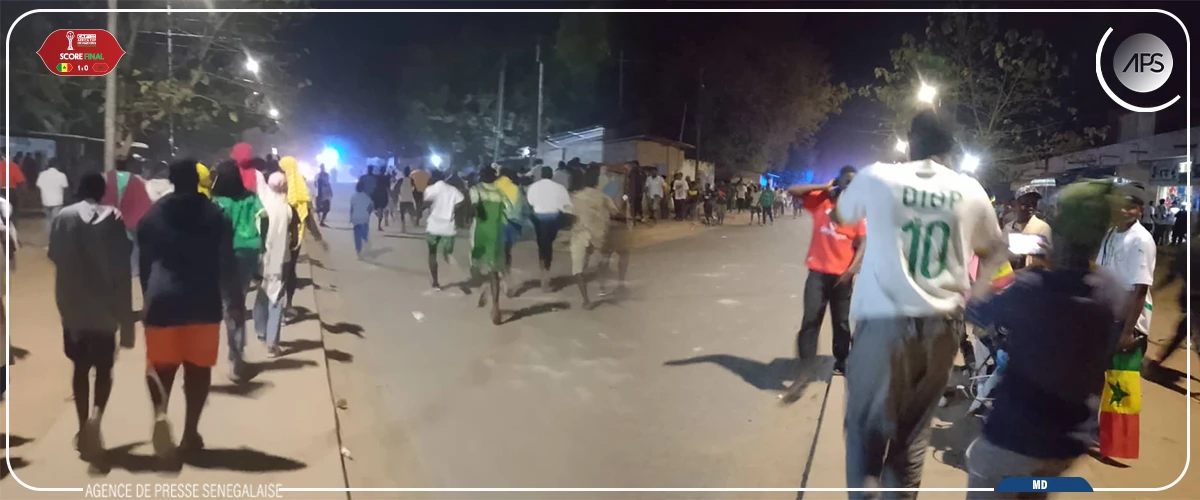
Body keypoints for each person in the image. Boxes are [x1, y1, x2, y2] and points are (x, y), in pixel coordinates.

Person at [833, 110, 1009, 496]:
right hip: (943, 325)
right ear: (950, 145)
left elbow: (842, 214)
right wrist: (975, 293)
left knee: (865, 435)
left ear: (910, 140)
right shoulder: (970, 190)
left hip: (883, 323)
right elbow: (997, 249)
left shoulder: (878, 176)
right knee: (912, 436)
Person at [962, 180, 1126, 498]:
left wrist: (996, 261)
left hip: (1013, 439)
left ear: (1059, 235)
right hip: (1065, 445)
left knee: (981, 466)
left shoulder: (1030, 288)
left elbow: (976, 311)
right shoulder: (1110, 291)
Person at [138, 159, 243, 462]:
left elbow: (143, 263)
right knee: (198, 371)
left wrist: (148, 296)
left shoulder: (154, 215)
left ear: (170, 179)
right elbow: (227, 262)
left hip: (162, 300)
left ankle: (160, 414)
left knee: (160, 366)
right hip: (203, 302)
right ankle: (190, 433)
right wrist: (234, 300)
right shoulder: (214, 214)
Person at [49, 172, 131, 462]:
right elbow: (123, 264)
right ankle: (97, 416)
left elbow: (55, 256)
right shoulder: (114, 217)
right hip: (105, 308)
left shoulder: (63, 217)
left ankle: (83, 424)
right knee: (104, 370)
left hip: (73, 308)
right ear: (102, 191)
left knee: (80, 368)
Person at [784, 166, 866, 384]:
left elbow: (863, 242)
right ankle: (805, 367)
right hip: (818, 275)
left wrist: (851, 269)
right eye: (846, 181)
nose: (850, 186)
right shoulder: (821, 201)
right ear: (837, 181)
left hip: (843, 277)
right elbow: (793, 190)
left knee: (841, 323)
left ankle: (842, 361)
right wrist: (822, 186)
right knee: (810, 320)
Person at [210, 160, 263, 381]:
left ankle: (233, 356)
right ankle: (237, 354)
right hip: (249, 254)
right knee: (237, 305)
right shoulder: (251, 197)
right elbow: (264, 218)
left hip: (225, 258)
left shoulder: (218, 202)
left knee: (227, 308)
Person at [1097, 183, 1156, 354]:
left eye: (1131, 208)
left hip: (1126, 323)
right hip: (1109, 317)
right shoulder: (1111, 233)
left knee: (1121, 378)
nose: (1125, 211)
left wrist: (1128, 332)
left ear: (1140, 211)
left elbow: (1140, 289)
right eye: (1122, 206)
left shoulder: (1140, 240)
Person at [568, 166, 623, 309]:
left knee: (578, 269)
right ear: (597, 182)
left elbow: (570, 215)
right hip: (599, 235)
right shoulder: (603, 196)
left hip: (580, 235)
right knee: (603, 259)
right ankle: (602, 286)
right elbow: (615, 211)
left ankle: (586, 299)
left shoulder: (576, 197)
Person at [278, 157, 324, 312]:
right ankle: (288, 305)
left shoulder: (278, 184)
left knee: (277, 272)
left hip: (277, 236)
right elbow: (307, 216)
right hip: (294, 238)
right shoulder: (300, 187)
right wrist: (318, 237)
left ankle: (275, 309)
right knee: (290, 271)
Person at [254, 172, 293, 358]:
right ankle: (272, 343)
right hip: (281, 259)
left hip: (262, 257)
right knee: (276, 299)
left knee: (262, 292)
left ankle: (261, 331)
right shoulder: (287, 209)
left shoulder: (261, 204)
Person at [470, 167, 512, 325]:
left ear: (481, 177)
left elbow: (475, 209)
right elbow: (507, 212)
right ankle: (495, 306)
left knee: (476, 265)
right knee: (494, 270)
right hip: (496, 233)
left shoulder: (476, 190)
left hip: (480, 232)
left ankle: (484, 288)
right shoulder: (501, 193)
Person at [528, 166, 572, 290]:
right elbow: (566, 205)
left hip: (539, 218)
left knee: (542, 246)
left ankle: (544, 273)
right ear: (551, 175)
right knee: (549, 245)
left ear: (541, 174)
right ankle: (546, 270)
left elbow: (530, 203)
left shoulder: (534, 187)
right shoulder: (559, 188)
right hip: (554, 218)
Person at [424, 170, 465, 290]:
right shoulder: (452, 190)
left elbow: (426, 202)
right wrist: (452, 209)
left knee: (432, 254)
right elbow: (461, 201)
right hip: (448, 226)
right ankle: (451, 260)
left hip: (433, 226)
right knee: (448, 252)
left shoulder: (430, 189)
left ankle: (435, 282)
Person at [1006, 187, 1052, 270]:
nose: (1030, 207)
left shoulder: (1042, 227)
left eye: (1034, 203)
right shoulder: (1008, 228)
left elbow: (1045, 260)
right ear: (1016, 204)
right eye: (1025, 203)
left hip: (1031, 279)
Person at [37, 158, 70, 237]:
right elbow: (66, 187)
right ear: (57, 165)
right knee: (56, 221)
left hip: (45, 201)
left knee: (48, 220)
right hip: (57, 201)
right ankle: (56, 238)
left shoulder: (42, 174)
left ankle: (50, 239)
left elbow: (38, 186)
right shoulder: (62, 175)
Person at [350, 178, 374, 258]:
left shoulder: (353, 197)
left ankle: (358, 251)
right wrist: (368, 213)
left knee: (357, 236)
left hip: (356, 219)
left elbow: (352, 208)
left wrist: (351, 218)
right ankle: (366, 247)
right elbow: (371, 207)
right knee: (364, 235)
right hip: (364, 218)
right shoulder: (366, 197)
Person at [397, 166, 418, 233]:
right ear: (409, 172)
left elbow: (396, 188)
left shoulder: (400, 180)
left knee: (402, 214)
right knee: (411, 213)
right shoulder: (411, 180)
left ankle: (403, 228)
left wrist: (398, 193)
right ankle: (413, 223)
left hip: (402, 199)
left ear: (403, 172)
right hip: (409, 199)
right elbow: (414, 188)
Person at [371, 165, 391, 230]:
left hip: (376, 193)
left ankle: (377, 215)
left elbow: (374, 184)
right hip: (383, 194)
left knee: (376, 208)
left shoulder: (377, 177)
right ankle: (379, 225)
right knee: (382, 209)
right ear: (384, 170)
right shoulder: (386, 178)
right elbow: (388, 187)